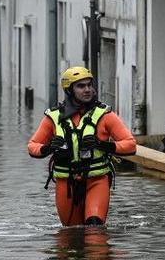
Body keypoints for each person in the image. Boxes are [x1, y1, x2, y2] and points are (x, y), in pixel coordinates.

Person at [28, 66, 137, 226]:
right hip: (66, 184)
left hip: (97, 180)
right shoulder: (54, 117)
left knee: (94, 228)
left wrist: (102, 145)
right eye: (81, 86)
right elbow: (32, 146)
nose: (87, 90)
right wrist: (48, 148)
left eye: (89, 85)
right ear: (70, 90)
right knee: (71, 234)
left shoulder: (105, 115)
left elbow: (130, 145)